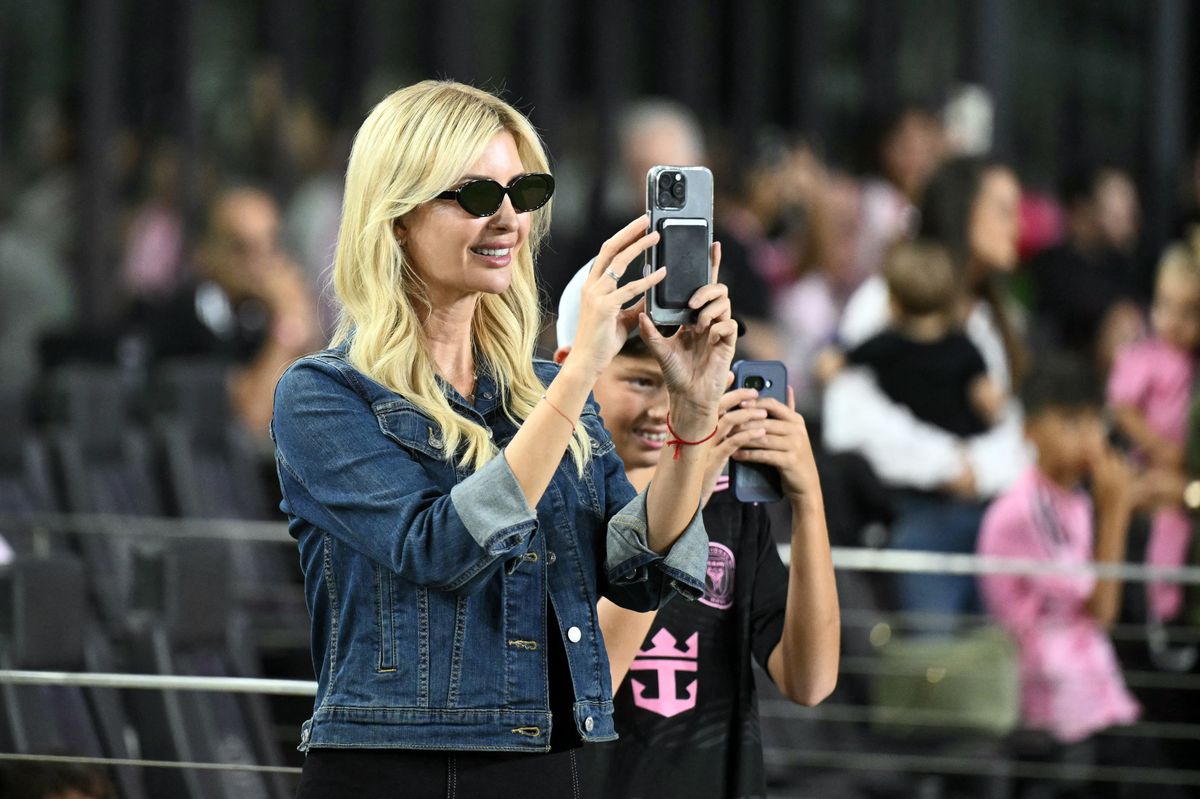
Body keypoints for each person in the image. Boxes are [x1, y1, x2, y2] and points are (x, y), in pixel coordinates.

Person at [271, 80, 738, 797]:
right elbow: (439, 547)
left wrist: (695, 415)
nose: (509, 219)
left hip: (545, 759)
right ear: (398, 217)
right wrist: (580, 372)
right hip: (394, 768)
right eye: (477, 196)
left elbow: (637, 569)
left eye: (523, 193)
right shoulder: (322, 394)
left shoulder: (543, 391)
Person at [552, 264, 840, 798]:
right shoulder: (553, 500)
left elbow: (810, 681)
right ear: (573, 369)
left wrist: (808, 501)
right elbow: (586, 686)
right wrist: (690, 487)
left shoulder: (731, 508)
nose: (670, 408)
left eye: (687, 379)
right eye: (642, 381)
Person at [824, 156, 1029, 620]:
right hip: (910, 518)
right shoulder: (889, 297)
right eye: (1003, 210)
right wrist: (948, 465)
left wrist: (979, 470)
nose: (1018, 226)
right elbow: (849, 419)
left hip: (994, 520)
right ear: (961, 211)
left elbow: (1008, 424)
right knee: (929, 658)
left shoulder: (993, 316)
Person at [977, 355, 1140, 767]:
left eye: (1094, 422)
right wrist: (1116, 515)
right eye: (1070, 423)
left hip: (1091, 689)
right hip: (1051, 702)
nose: (1088, 436)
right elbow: (1102, 609)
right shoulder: (1024, 510)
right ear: (1029, 430)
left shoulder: (1075, 499)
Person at [132, 187, 321, 437]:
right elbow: (254, 418)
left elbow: (315, 402)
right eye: (242, 249)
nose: (262, 263)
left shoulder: (254, 311)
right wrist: (288, 326)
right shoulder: (191, 312)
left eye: (271, 246)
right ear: (205, 251)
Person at [817, 238, 1005, 438]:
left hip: (901, 442)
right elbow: (988, 395)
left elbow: (833, 364)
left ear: (894, 304)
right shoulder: (964, 347)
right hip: (959, 436)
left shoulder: (885, 345)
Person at [1108, 235, 1200, 622]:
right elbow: (1122, 408)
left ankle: (1168, 609)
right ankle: (1159, 611)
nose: (1174, 321)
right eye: (1165, 306)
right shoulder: (1144, 354)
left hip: (1181, 480)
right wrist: (1160, 449)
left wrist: (1186, 482)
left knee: (1173, 526)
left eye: (1189, 311)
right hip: (1146, 463)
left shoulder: (1190, 362)